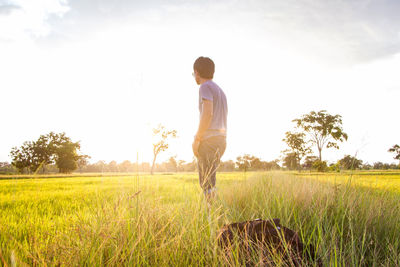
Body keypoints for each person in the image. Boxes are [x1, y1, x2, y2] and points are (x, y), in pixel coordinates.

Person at [192, 56, 227, 203]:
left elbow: (207, 113)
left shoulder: (204, 87)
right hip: (221, 140)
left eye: (193, 73)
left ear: (197, 72)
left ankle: (211, 216)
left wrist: (197, 139)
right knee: (211, 182)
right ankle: (215, 214)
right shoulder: (220, 90)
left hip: (209, 141)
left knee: (206, 183)